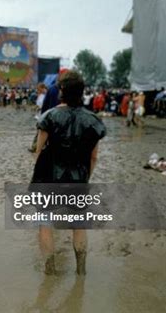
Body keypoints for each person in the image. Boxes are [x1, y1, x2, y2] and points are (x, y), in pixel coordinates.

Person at [31, 71, 106, 275]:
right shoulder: (93, 121)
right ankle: (81, 270)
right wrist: (85, 178)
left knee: (45, 223)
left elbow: (38, 153)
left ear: (61, 91)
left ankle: (50, 270)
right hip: (78, 177)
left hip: (48, 177)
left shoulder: (49, 116)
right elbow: (94, 157)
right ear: (81, 92)